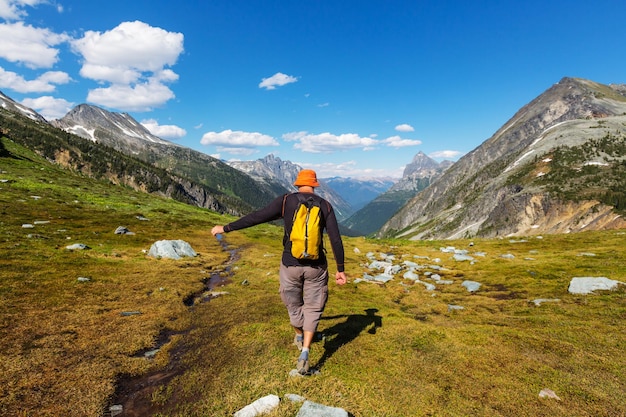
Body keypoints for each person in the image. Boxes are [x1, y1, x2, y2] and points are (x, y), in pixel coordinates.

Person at [211, 169, 347, 374]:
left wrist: (227, 228)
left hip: (290, 264)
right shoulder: (325, 205)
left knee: (293, 304)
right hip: (317, 267)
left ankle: (299, 336)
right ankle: (306, 351)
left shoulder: (286, 201)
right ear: (315, 185)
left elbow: (257, 217)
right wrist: (341, 270)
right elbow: (336, 239)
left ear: (297, 184)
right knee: (313, 307)